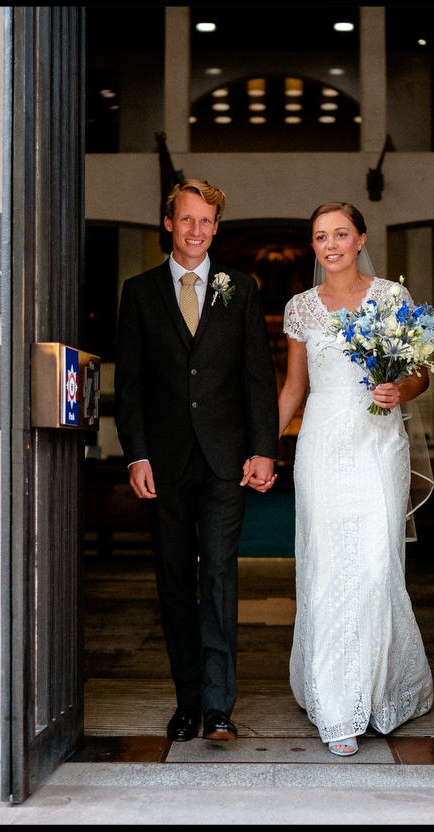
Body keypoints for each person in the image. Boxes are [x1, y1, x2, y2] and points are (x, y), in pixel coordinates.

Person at [114, 179, 280, 743]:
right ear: (169, 223)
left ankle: (218, 706)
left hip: (225, 460)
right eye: (187, 220)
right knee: (172, 582)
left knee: (220, 577)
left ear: (216, 226)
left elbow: (259, 376)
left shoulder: (242, 289)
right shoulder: (138, 293)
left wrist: (263, 448)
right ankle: (186, 702)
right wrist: (135, 453)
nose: (196, 231)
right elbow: (131, 385)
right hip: (162, 462)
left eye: (207, 221)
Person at [276, 202, 434, 757]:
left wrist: (400, 391)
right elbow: (295, 389)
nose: (331, 244)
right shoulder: (299, 307)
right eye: (321, 236)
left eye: (341, 233)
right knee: (326, 567)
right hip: (321, 445)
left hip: (376, 444)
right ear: (314, 245)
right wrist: (258, 447)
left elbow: (418, 374)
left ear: (361, 238)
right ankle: (337, 704)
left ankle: (381, 688)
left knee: (373, 566)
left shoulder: (391, 297)